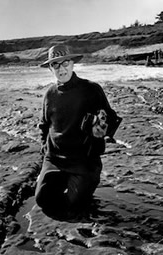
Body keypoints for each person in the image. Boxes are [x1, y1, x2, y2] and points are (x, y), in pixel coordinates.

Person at [35, 44, 122, 218]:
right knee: (42, 200)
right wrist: (45, 152)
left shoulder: (91, 89)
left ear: (73, 63)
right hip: (55, 159)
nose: (61, 69)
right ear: (51, 68)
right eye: (55, 65)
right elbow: (44, 126)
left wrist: (102, 128)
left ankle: (84, 182)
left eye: (65, 63)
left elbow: (111, 119)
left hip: (83, 161)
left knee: (74, 206)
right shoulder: (49, 94)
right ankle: (54, 178)